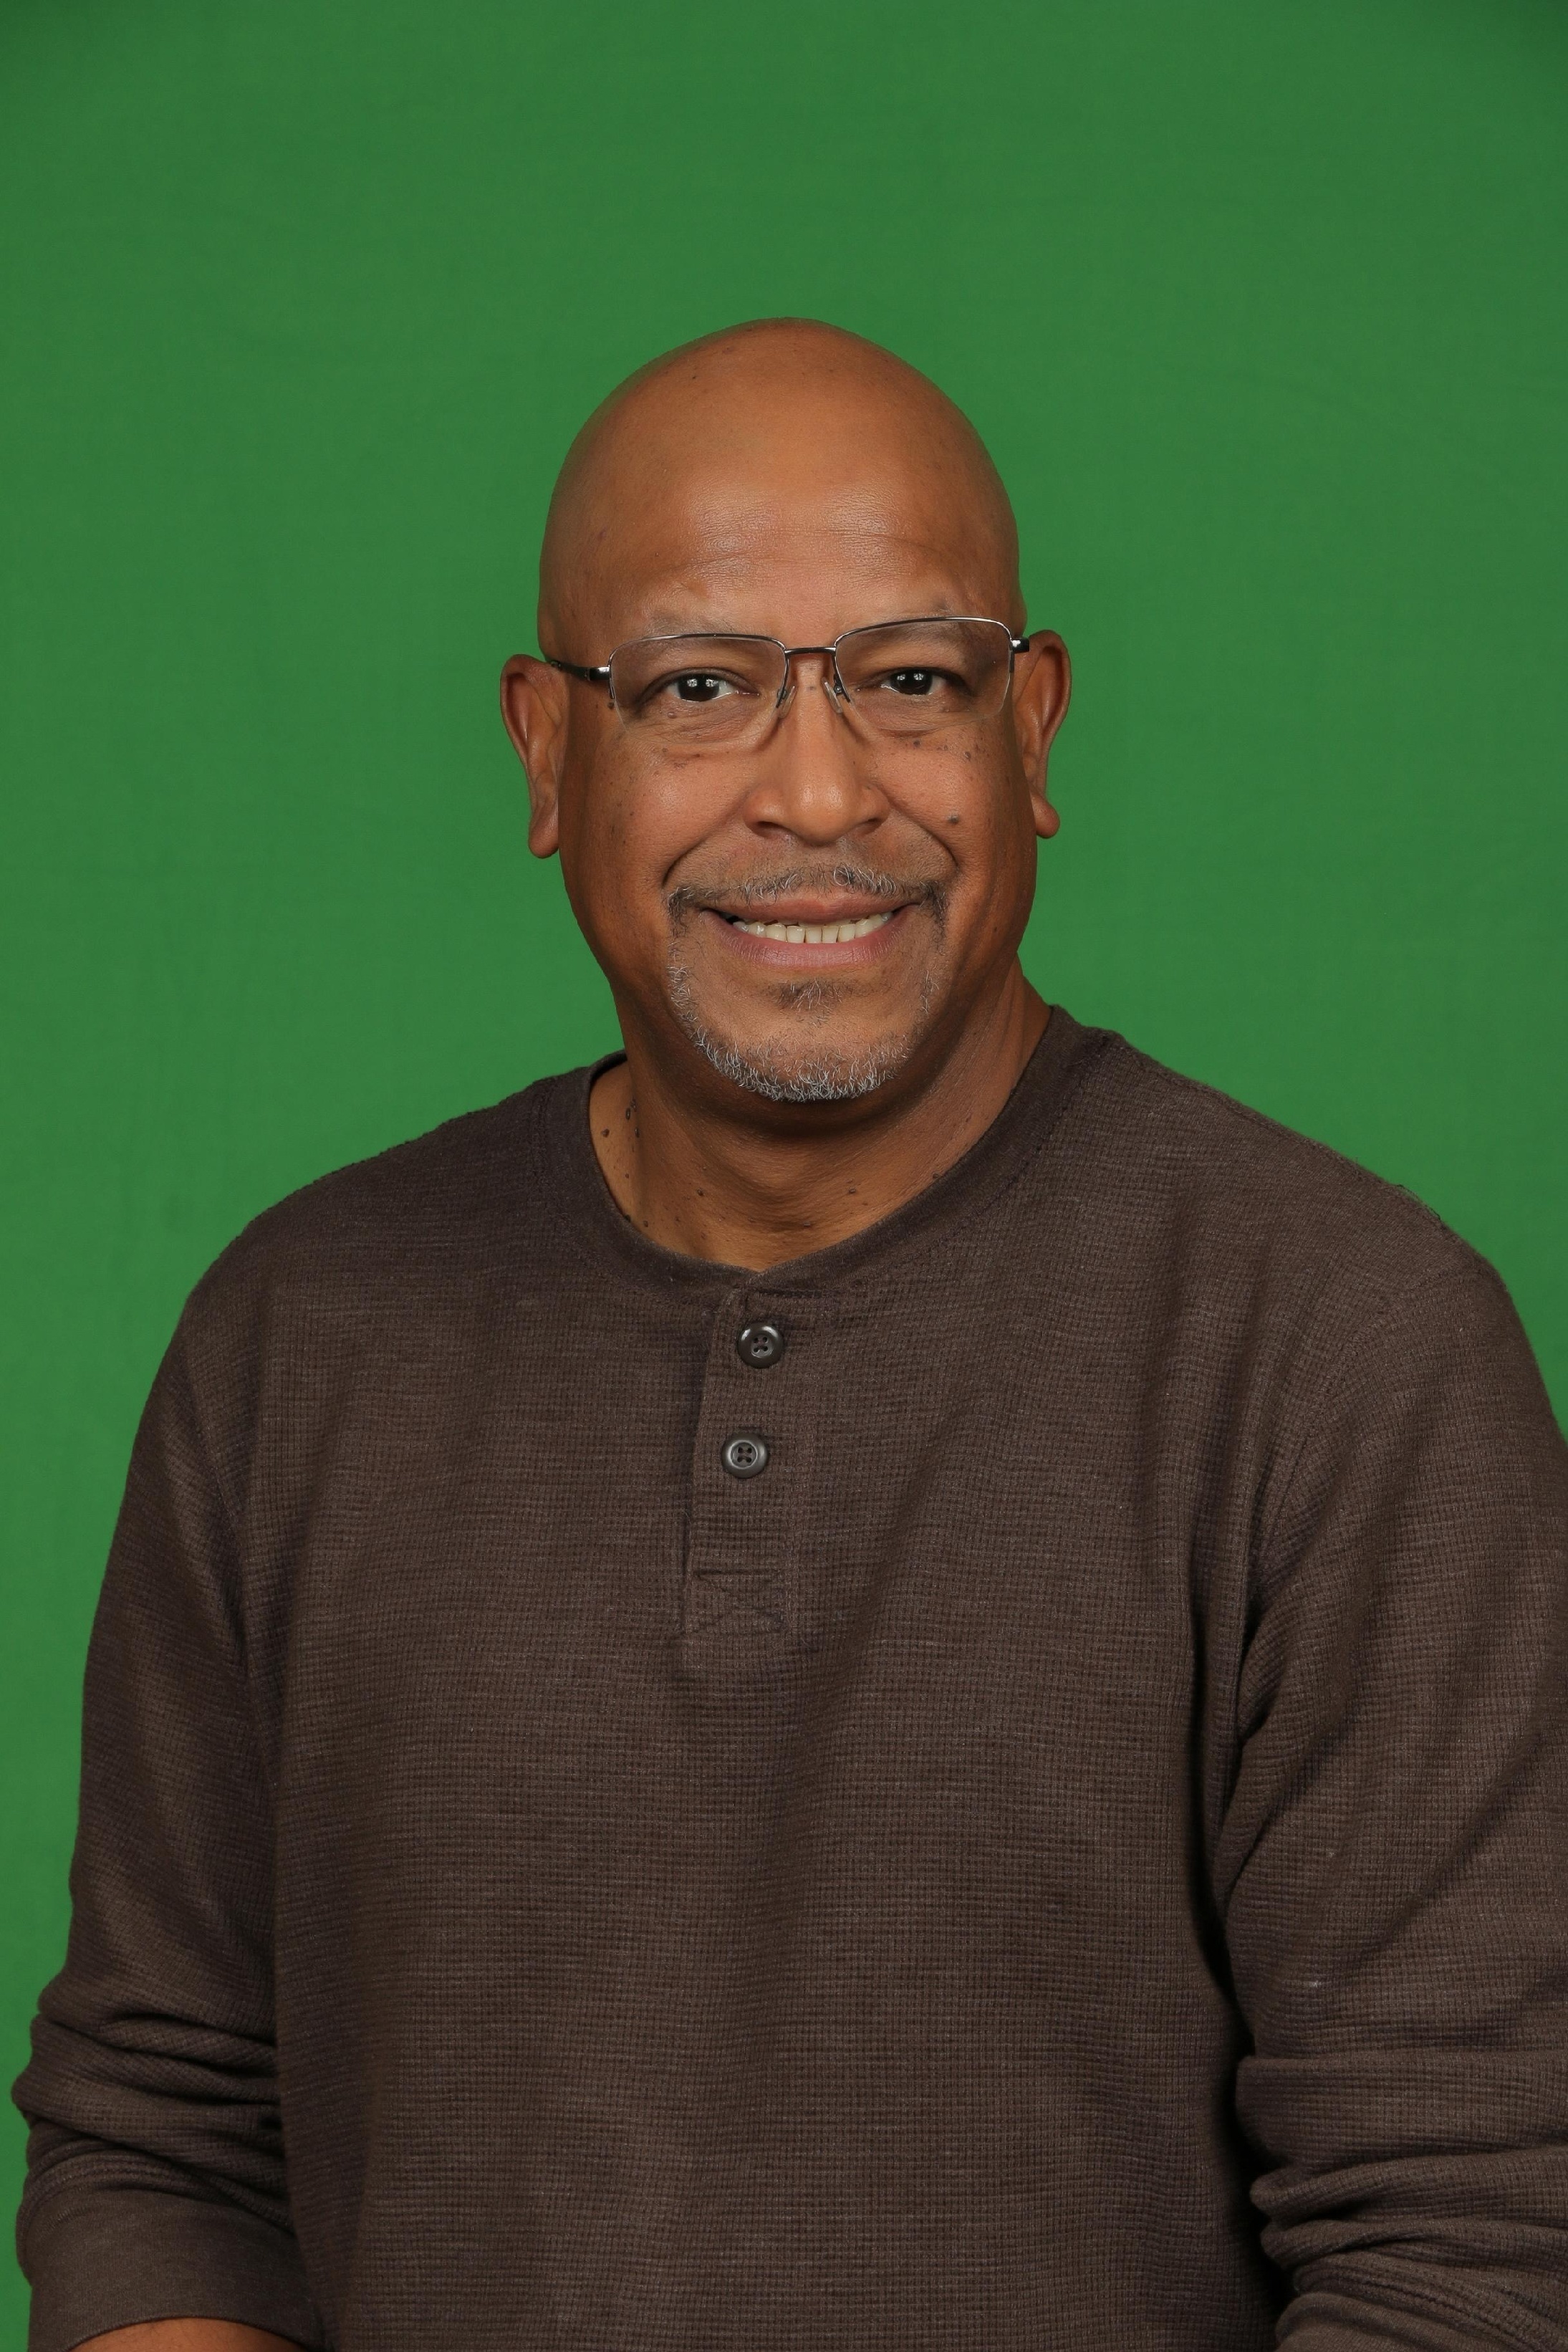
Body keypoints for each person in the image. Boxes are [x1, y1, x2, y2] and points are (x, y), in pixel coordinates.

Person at [14, 318, 1568, 2352]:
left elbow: (1472, 2251)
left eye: (913, 679)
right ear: (547, 753)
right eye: (698, 687)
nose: (820, 791)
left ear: (1034, 731)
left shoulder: (1348, 1353)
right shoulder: (298, 1343)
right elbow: (166, 2153)